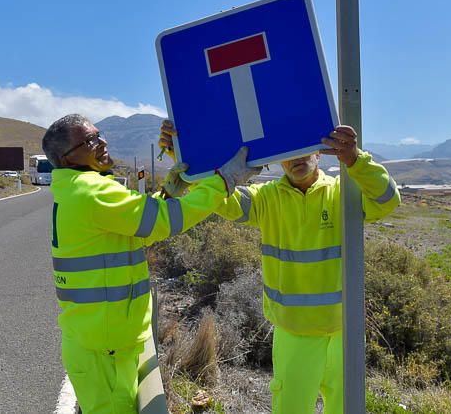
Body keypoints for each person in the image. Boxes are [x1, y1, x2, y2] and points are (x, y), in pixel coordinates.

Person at [159, 121, 401, 414]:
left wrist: (355, 159)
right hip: (293, 335)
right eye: (287, 153)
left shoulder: (343, 193)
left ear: (319, 153)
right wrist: (188, 157)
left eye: (303, 151)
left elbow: (388, 199)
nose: (296, 159)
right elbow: (223, 199)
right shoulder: (266, 198)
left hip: (344, 333)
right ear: (276, 158)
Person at [42, 114, 259, 414]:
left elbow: (134, 232)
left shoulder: (79, 189)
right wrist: (224, 181)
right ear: (67, 159)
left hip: (102, 343)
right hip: (106, 351)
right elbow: (163, 221)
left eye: (98, 134)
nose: (102, 142)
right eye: (89, 140)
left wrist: (169, 191)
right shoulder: (92, 192)